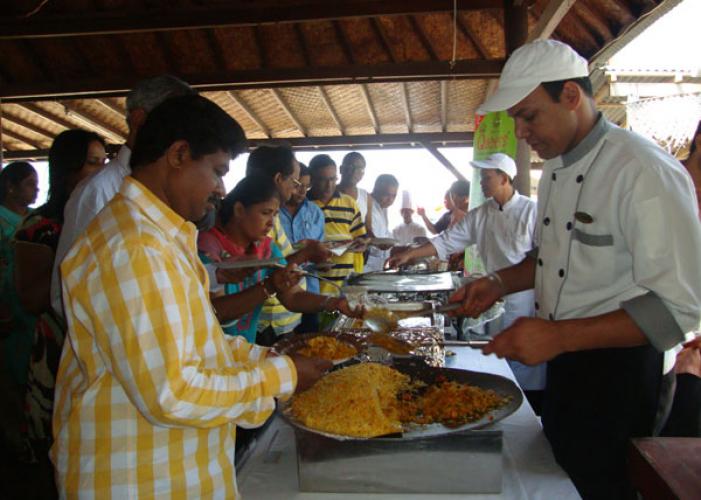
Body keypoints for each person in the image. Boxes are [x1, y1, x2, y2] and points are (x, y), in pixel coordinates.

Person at [449, 40, 701, 498]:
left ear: (570, 95)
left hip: (621, 374)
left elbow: (680, 308)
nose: (521, 132)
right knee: (561, 477)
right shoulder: (558, 173)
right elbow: (547, 259)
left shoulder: (643, 172)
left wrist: (559, 336)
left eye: (529, 115)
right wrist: (497, 283)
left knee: (605, 487)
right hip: (565, 365)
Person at [52, 95, 332, 498]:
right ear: (179, 154)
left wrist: (266, 358)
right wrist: (283, 375)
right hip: (135, 478)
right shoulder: (134, 247)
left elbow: (199, 343)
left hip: (172, 467)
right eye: (217, 171)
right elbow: (173, 392)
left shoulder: (165, 237)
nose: (221, 188)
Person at [388, 153, 545, 411]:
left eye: (487, 177)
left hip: (527, 302)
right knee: (499, 367)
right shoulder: (480, 215)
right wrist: (410, 254)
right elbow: (446, 240)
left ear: (504, 178)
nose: (482, 183)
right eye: (482, 177)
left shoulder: (532, 211)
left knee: (527, 366)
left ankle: (531, 413)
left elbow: (542, 259)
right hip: (492, 300)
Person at [50, 75, 195, 317]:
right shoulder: (98, 191)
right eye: (174, 120)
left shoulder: (172, 190)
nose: (183, 133)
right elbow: (66, 293)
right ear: (139, 118)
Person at [13, 130, 106, 496]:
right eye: (92, 163)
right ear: (67, 169)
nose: (101, 172)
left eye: (104, 163)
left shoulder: (102, 220)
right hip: (58, 343)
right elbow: (32, 298)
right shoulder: (40, 228)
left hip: (94, 347)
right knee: (57, 439)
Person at [198, 174, 361, 342]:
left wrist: (334, 303)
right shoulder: (207, 247)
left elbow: (292, 296)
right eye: (266, 213)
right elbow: (216, 312)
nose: (271, 223)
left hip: (244, 349)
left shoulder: (267, 248)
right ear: (239, 210)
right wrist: (268, 286)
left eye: (275, 215)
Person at [245, 146, 331, 343]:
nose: (296, 189)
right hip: (262, 325)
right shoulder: (254, 220)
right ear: (278, 180)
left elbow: (284, 280)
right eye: (294, 182)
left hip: (282, 319)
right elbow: (277, 273)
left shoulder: (271, 217)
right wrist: (307, 253)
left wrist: (334, 302)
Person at [0, 161, 38, 464]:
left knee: (30, 367)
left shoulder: (34, 220)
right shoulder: (2, 221)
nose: (35, 189)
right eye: (28, 183)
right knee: (12, 372)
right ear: (10, 186)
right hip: (8, 302)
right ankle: (15, 439)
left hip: (30, 307)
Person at [308, 154, 367, 294]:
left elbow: (361, 237)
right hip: (314, 285)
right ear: (312, 179)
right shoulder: (304, 205)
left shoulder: (349, 203)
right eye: (323, 180)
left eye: (332, 179)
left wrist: (362, 244)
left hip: (346, 284)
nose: (329, 185)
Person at [279, 163, 326, 332]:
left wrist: (323, 260)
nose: (302, 191)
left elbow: (320, 249)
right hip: (277, 296)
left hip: (309, 290)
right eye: (298, 185)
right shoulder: (272, 211)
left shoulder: (315, 213)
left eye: (307, 186)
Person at [365, 174, 399, 272]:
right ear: (376, 190)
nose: (390, 200)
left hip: (377, 266)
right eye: (387, 195)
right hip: (365, 264)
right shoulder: (365, 204)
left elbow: (385, 234)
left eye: (394, 196)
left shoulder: (383, 209)